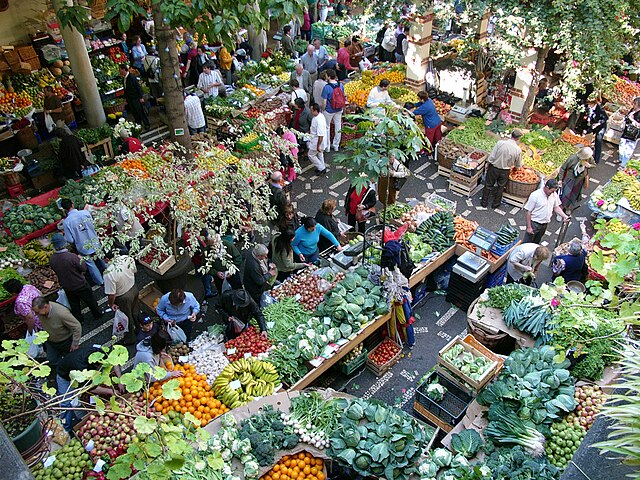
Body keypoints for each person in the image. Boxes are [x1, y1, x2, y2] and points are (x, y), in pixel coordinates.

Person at [49, 233, 103, 322]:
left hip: (67, 286)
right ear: (63, 244)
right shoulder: (72, 257)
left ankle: (79, 320)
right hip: (79, 283)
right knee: (90, 300)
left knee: (74, 305)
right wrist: (80, 259)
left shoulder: (52, 259)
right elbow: (83, 268)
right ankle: (98, 314)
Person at [61, 198, 106, 286]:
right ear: (72, 204)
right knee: (101, 259)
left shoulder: (66, 222)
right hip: (94, 241)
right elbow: (94, 224)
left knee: (91, 265)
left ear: (64, 209)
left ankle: (101, 282)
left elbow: (70, 239)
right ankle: (111, 273)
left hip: (83, 246)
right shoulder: (85, 213)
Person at [32, 296, 82, 369]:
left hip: (65, 341)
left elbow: (76, 326)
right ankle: (61, 369)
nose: (36, 314)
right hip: (50, 341)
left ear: (45, 307)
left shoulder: (61, 313)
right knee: (52, 360)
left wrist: (75, 344)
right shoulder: (42, 312)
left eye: (37, 312)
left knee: (71, 360)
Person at [481, 129, 524, 209]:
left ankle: (484, 202)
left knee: (488, 185)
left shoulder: (500, 143)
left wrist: (488, 163)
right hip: (505, 171)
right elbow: (518, 164)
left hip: (494, 168)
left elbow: (492, 156)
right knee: (500, 188)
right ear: (518, 138)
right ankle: (495, 204)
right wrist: (516, 168)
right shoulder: (518, 150)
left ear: (511, 135)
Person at [104, 255, 140, 344]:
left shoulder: (109, 273)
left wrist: (111, 304)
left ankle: (130, 338)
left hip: (123, 296)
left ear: (106, 259)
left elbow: (111, 294)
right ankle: (140, 328)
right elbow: (135, 271)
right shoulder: (127, 258)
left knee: (127, 318)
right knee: (136, 311)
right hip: (133, 288)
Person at [524, 179, 570, 244]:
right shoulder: (535, 195)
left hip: (544, 224)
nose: (553, 193)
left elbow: (556, 207)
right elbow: (528, 211)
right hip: (534, 223)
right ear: (547, 187)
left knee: (536, 242)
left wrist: (564, 216)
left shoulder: (554, 195)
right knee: (527, 243)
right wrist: (529, 227)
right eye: (552, 191)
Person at [559, 147, 594, 212]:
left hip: (580, 179)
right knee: (566, 193)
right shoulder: (572, 158)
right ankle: (561, 208)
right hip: (570, 178)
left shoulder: (589, 158)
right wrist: (560, 179)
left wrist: (589, 166)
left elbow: (594, 165)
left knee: (574, 193)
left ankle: (568, 207)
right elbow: (563, 168)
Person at [119, 64, 150, 130]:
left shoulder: (131, 77)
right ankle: (138, 124)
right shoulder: (124, 79)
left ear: (124, 69)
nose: (120, 71)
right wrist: (125, 99)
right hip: (130, 99)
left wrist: (141, 97)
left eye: (120, 70)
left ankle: (146, 124)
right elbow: (126, 89)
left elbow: (138, 87)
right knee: (134, 112)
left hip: (136, 98)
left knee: (140, 112)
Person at [321, 69, 344, 152]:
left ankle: (327, 147)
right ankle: (336, 145)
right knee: (338, 127)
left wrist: (323, 110)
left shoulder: (326, 87)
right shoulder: (340, 85)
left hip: (329, 110)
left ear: (329, 76)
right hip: (339, 109)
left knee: (327, 127)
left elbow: (324, 101)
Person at [584, 94, 608, 164]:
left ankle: (596, 160)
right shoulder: (588, 107)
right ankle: (586, 154)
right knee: (587, 137)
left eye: (590, 104)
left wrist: (598, 124)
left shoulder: (600, 109)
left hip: (600, 126)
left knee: (598, 140)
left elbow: (605, 118)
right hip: (592, 125)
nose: (588, 106)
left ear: (593, 103)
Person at [617, 96, 640, 167]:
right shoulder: (632, 110)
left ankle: (623, 165)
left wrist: (632, 120)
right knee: (621, 145)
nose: (633, 104)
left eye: (635, 103)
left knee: (628, 150)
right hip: (626, 131)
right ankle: (621, 159)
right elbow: (627, 117)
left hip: (634, 134)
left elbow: (638, 125)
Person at [308, 103, 328, 174]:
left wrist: (318, 146)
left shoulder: (318, 120)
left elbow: (320, 135)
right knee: (320, 154)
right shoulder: (320, 116)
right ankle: (322, 166)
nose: (311, 112)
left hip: (317, 141)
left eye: (312, 110)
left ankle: (321, 167)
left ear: (315, 110)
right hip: (318, 140)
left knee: (311, 155)